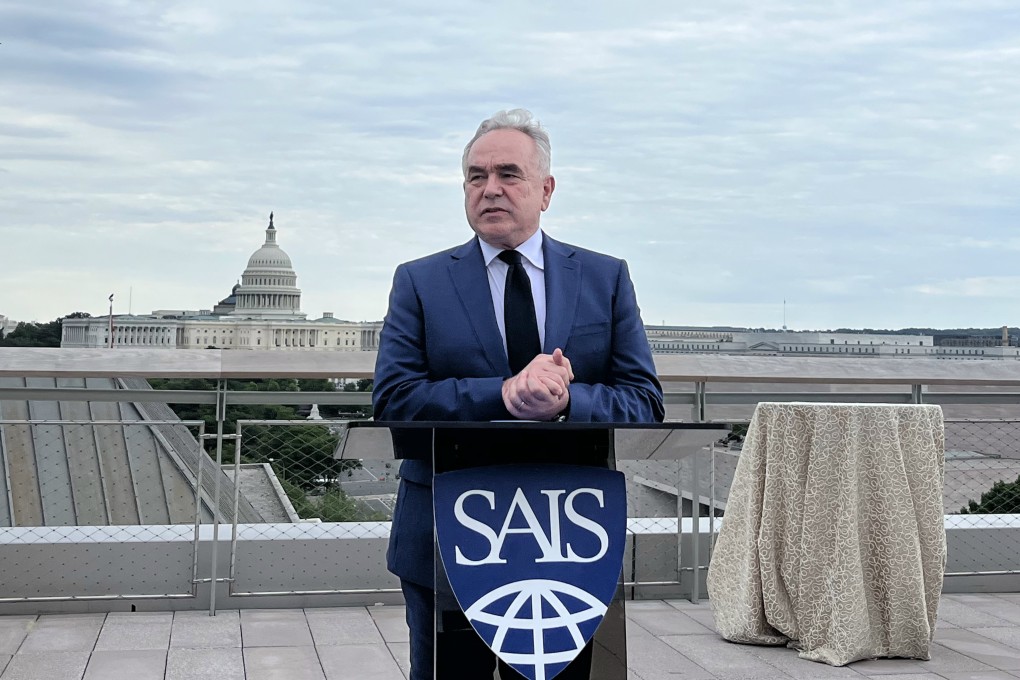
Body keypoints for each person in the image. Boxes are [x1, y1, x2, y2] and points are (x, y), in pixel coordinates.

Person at [373, 108, 664, 680]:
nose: (491, 189)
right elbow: (395, 398)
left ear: (546, 190)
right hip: (445, 535)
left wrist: (566, 404)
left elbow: (643, 400)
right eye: (476, 177)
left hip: (572, 539)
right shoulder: (420, 280)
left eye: (509, 174)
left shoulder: (605, 278)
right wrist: (502, 394)